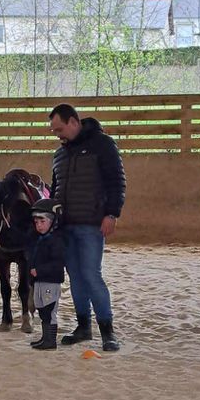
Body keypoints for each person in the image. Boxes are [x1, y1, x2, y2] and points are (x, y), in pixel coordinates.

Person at [49, 104, 126, 352]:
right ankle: (83, 326)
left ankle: (108, 330)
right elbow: (55, 188)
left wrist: (112, 213)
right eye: (53, 130)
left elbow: (116, 181)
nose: (57, 134)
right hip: (66, 225)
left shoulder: (102, 145)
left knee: (92, 275)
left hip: (91, 224)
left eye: (59, 129)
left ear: (73, 122)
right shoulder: (60, 155)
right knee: (76, 278)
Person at [26, 198, 65, 351]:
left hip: (50, 281)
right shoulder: (39, 240)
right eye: (36, 222)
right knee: (42, 309)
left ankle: (50, 341)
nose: (39, 226)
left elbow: (58, 264)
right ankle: (45, 337)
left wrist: (40, 270)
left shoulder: (56, 241)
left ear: (53, 222)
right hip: (39, 281)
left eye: (42, 221)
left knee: (49, 310)